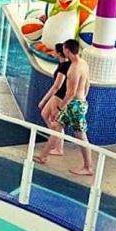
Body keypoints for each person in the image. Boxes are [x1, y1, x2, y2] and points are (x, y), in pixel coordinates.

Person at [37, 39, 94, 176]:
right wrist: (83, 99)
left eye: (63, 49)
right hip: (78, 103)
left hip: (73, 105)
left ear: (67, 51)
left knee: (81, 136)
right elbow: (87, 84)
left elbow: (71, 93)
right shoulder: (83, 63)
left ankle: (88, 167)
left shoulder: (74, 68)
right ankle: (43, 156)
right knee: (57, 127)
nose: (63, 51)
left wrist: (60, 108)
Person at [34, 43, 69, 161]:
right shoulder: (62, 64)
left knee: (56, 123)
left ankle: (58, 147)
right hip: (57, 95)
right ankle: (55, 140)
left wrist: (44, 100)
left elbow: (57, 86)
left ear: (59, 53)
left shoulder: (64, 67)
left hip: (60, 96)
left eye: (54, 51)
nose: (52, 53)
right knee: (45, 114)